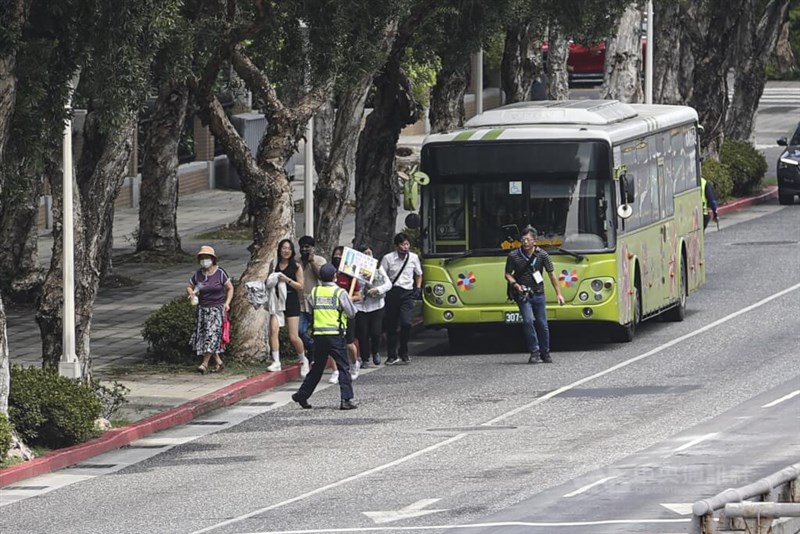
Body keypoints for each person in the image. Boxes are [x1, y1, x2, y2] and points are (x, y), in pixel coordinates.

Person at [291, 263, 358, 410]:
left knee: (317, 368)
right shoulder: (340, 293)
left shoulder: (315, 292)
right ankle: (346, 399)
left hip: (319, 336)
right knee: (343, 367)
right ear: (335, 277)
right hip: (335, 335)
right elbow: (352, 312)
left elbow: (310, 307)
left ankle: (302, 395)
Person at [504, 226, 565, 364]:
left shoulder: (542, 255)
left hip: (538, 293)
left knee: (543, 324)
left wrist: (559, 294)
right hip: (523, 294)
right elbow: (507, 274)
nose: (525, 242)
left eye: (528, 240)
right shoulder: (513, 256)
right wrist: (516, 285)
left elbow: (552, 274)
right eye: (523, 240)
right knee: (528, 321)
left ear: (535, 241)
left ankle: (545, 352)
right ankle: (534, 351)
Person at [266, 239, 310, 377]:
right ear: (279, 250)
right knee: (273, 330)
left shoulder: (296, 266)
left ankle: (303, 360)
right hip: (276, 301)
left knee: (293, 336)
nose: (286, 251)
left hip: (291, 300)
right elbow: (268, 280)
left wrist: (287, 280)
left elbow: (301, 286)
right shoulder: (274, 264)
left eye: (289, 249)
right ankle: (276, 361)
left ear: (292, 251)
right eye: (283, 248)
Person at [187, 245, 234, 374]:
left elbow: (230, 288)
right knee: (204, 336)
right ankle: (219, 362)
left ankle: (204, 363)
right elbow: (190, 286)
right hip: (203, 309)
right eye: (202, 258)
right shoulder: (198, 274)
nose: (205, 260)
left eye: (207, 257)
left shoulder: (220, 273)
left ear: (213, 259)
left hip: (217, 309)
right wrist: (192, 294)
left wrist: (227, 303)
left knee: (212, 335)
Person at [380, 232, 423, 365]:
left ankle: (403, 350)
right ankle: (391, 354)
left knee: (406, 323)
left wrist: (418, 287)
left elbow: (418, 274)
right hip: (392, 292)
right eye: (402, 245)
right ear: (396, 246)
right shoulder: (388, 259)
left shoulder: (413, 258)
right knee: (392, 325)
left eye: (407, 244)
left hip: (407, 293)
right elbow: (381, 275)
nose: (405, 247)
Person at [354, 245, 392, 367]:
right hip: (360, 306)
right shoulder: (353, 269)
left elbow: (388, 284)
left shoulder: (377, 267)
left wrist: (377, 289)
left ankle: (375, 351)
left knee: (376, 332)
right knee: (363, 334)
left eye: (369, 253)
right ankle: (365, 359)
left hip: (376, 306)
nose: (368, 256)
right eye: (365, 253)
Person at [331, 246, 362, 381]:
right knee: (333, 344)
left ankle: (354, 364)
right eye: (335, 255)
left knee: (349, 344)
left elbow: (358, 296)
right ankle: (335, 371)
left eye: (340, 255)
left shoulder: (350, 276)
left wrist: (348, 299)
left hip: (347, 313)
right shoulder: (330, 273)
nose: (337, 258)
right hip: (332, 313)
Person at [298, 236, 326, 351]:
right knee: (300, 331)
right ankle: (312, 347)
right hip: (301, 303)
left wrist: (311, 261)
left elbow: (321, 276)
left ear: (313, 248)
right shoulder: (297, 262)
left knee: (317, 331)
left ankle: (317, 353)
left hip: (315, 302)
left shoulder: (320, 260)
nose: (304, 249)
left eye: (307, 247)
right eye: (302, 247)